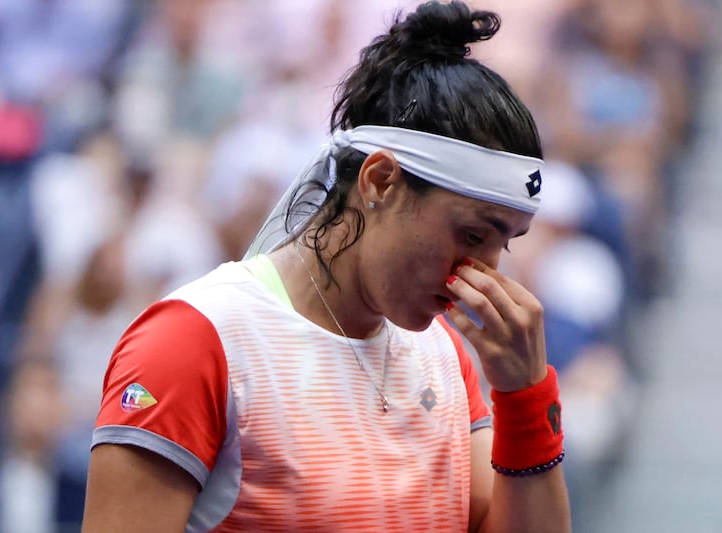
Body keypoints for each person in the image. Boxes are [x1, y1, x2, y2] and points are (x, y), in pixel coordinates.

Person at [82, 2, 571, 532]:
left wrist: (525, 398)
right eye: (472, 235)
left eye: (506, 242)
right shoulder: (194, 341)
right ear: (380, 181)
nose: (484, 274)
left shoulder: (447, 357)